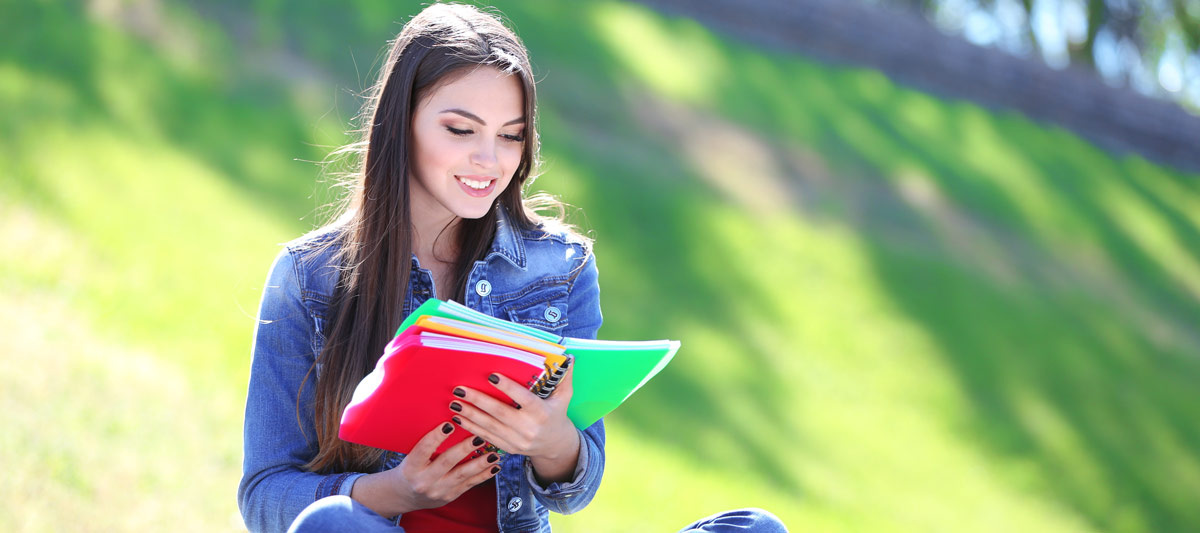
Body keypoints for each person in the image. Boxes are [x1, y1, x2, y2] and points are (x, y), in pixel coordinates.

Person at [238, 3, 787, 532]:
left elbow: (577, 488)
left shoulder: (560, 267)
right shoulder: (310, 277)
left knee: (756, 528)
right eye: (461, 130)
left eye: (511, 134)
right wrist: (398, 492)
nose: (490, 159)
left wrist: (553, 443)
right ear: (400, 123)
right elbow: (264, 498)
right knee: (331, 524)